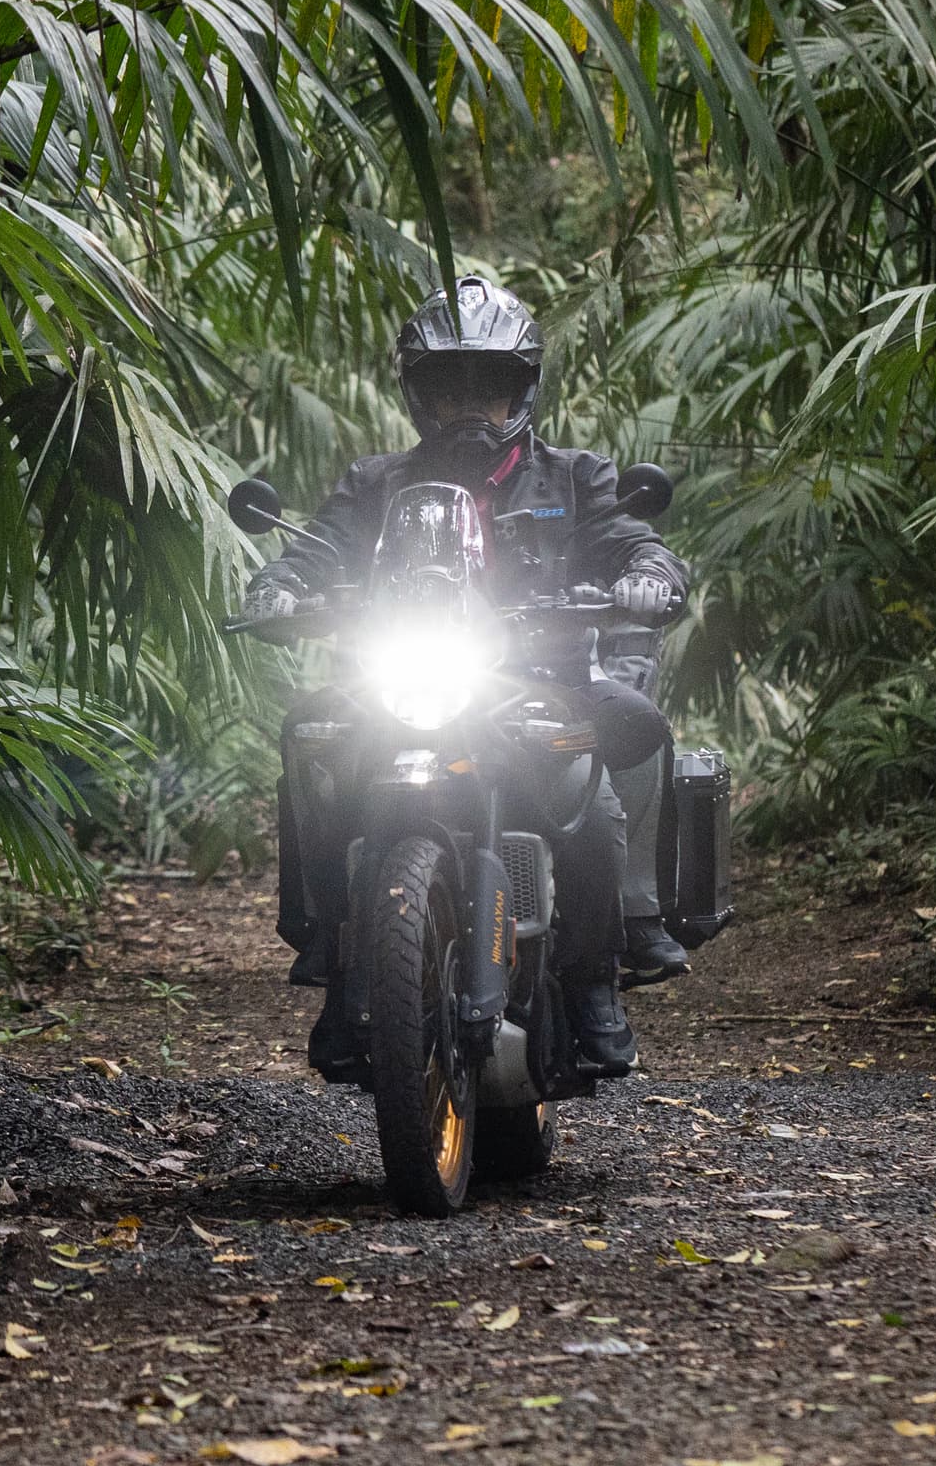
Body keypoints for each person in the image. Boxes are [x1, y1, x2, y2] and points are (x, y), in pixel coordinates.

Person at [243, 274, 683, 1079]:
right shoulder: (376, 483)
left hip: (543, 677)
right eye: (450, 390)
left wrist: (648, 575)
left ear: (524, 389)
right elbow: (318, 547)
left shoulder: (576, 475)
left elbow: (631, 541)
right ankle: (334, 954)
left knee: (604, 782)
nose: (470, 407)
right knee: (309, 734)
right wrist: (280, 585)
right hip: (402, 676)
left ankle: (595, 977)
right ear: (420, 395)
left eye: (491, 387)